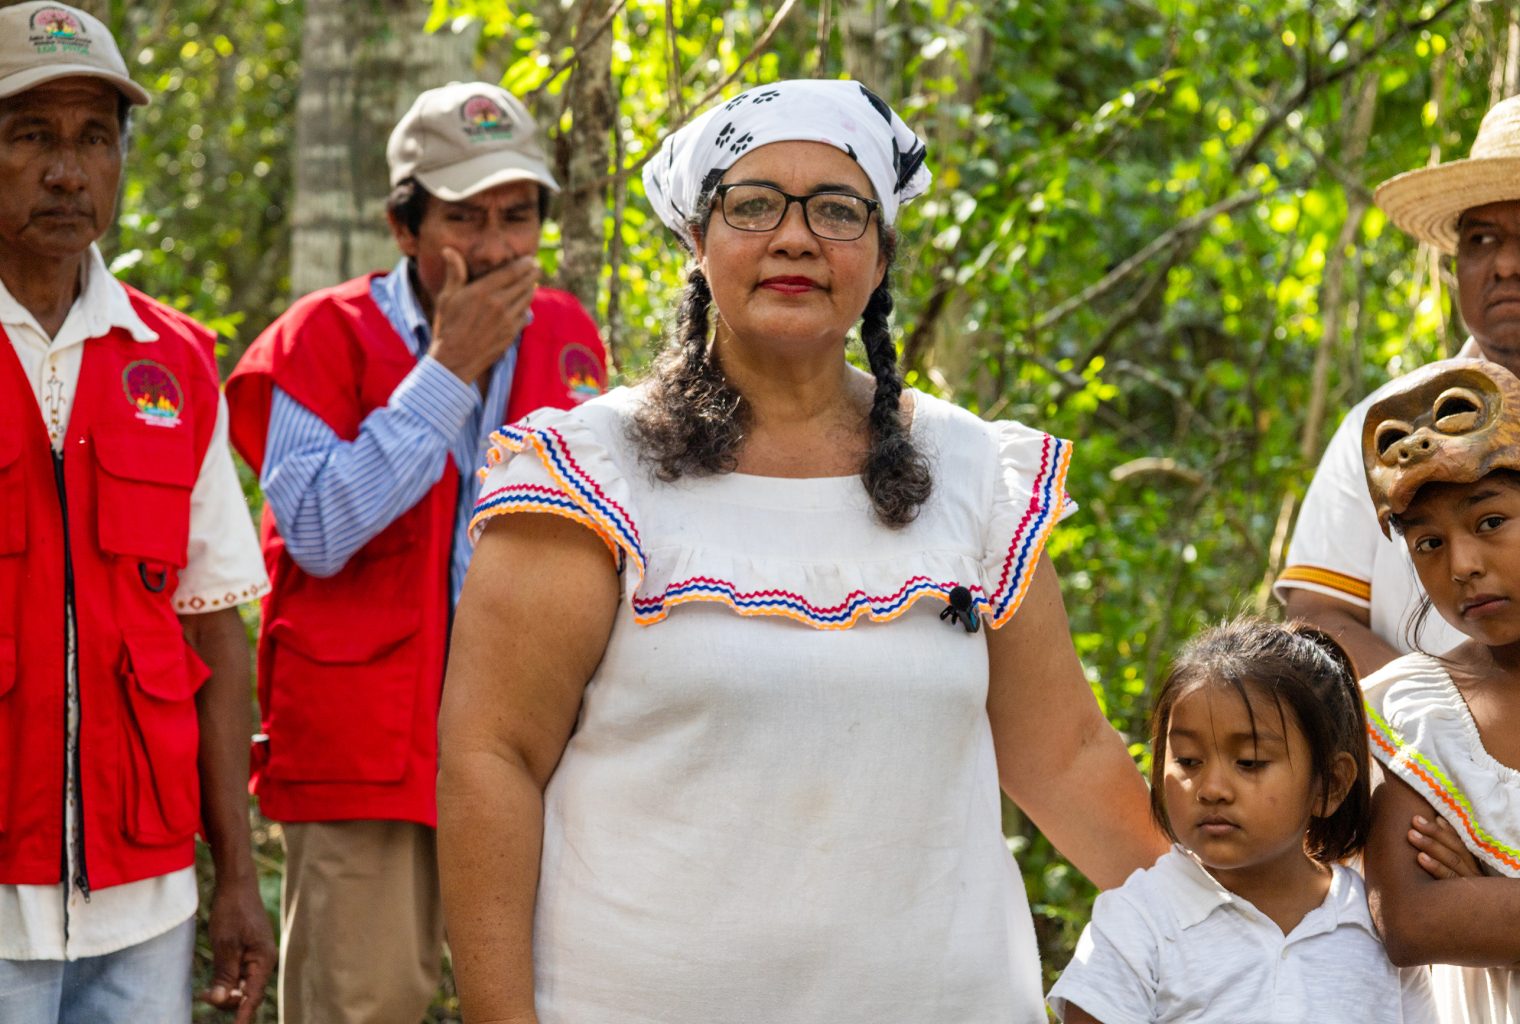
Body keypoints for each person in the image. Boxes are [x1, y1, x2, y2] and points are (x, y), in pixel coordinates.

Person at [437, 78, 1167, 1024]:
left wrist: (1239, 920)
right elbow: (491, 759)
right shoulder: (594, 473)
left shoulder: (970, 471)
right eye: (753, 206)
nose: (794, 238)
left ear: (881, 251)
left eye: (836, 211)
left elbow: (1065, 757)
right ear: (696, 240)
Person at [224, 81, 607, 1024]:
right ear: (405, 227)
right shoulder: (321, 336)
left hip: (533, 748)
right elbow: (317, 532)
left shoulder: (568, 336)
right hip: (364, 755)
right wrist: (449, 369)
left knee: (540, 1004)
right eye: (464, 218)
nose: (497, 248)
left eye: (517, 217)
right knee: (363, 1006)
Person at [0, 3, 275, 1021]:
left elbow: (215, 628)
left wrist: (235, 878)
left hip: (147, 903)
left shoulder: (176, 366)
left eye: (94, 139)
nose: (67, 172)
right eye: (31, 136)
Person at [1046, 619, 1436, 1023]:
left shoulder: (1373, 924)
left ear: (1330, 785)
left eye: (1249, 762)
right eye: (1188, 760)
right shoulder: (1138, 920)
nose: (1212, 788)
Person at [1277, 88, 1520, 675]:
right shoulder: (1384, 428)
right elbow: (1317, 615)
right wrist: (1444, 713)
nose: (1506, 265)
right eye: (1481, 240)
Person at [1359, 357, 1520, 1023]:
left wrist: (1496, 908)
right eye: (1428, 543)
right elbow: (1415, 921)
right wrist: (1462, 914)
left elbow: (1461, 920)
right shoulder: (1411, 713)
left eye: (1490, 522)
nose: (1462, 565)